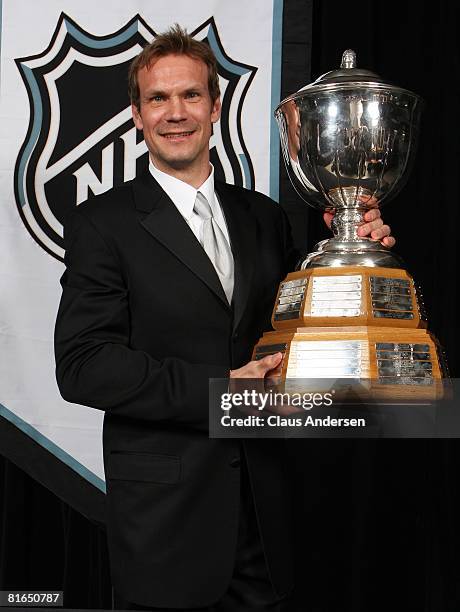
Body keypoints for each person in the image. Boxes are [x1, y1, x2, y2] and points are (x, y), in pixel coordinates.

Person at [54, 25, 394, 611]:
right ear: (136, 115)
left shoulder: (263, 217)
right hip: (167, 525)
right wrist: (220, 393)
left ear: (215, 106)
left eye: (190, 95)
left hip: (266, 514)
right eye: (158, 99)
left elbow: (307, 331)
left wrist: (359, 256)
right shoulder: (100, 225)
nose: (175, 113)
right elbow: (85, 367)